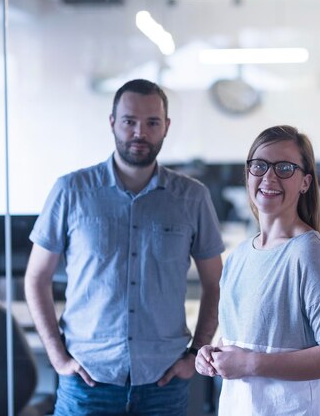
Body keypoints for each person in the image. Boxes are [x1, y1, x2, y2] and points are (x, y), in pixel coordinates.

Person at [24, 78, 225, 416]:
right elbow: (36, 278)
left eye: (152, 123)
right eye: (130, 121)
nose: (139, 132)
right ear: (112, 122)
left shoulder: (192, 197)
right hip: (87, 383)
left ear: (166, 127)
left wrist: (196, 353)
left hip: (163, 383)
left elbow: (217, 282)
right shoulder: (71, 191)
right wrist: (57, 357)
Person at [195, 125, 320, 415]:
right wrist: (213, 355)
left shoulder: (309, 254)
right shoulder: (239, 256)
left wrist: (248, 364)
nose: (269, 177)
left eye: (284, 168)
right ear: (247, 174)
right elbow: (246, 339)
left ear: (305, 182)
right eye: (259, 166)